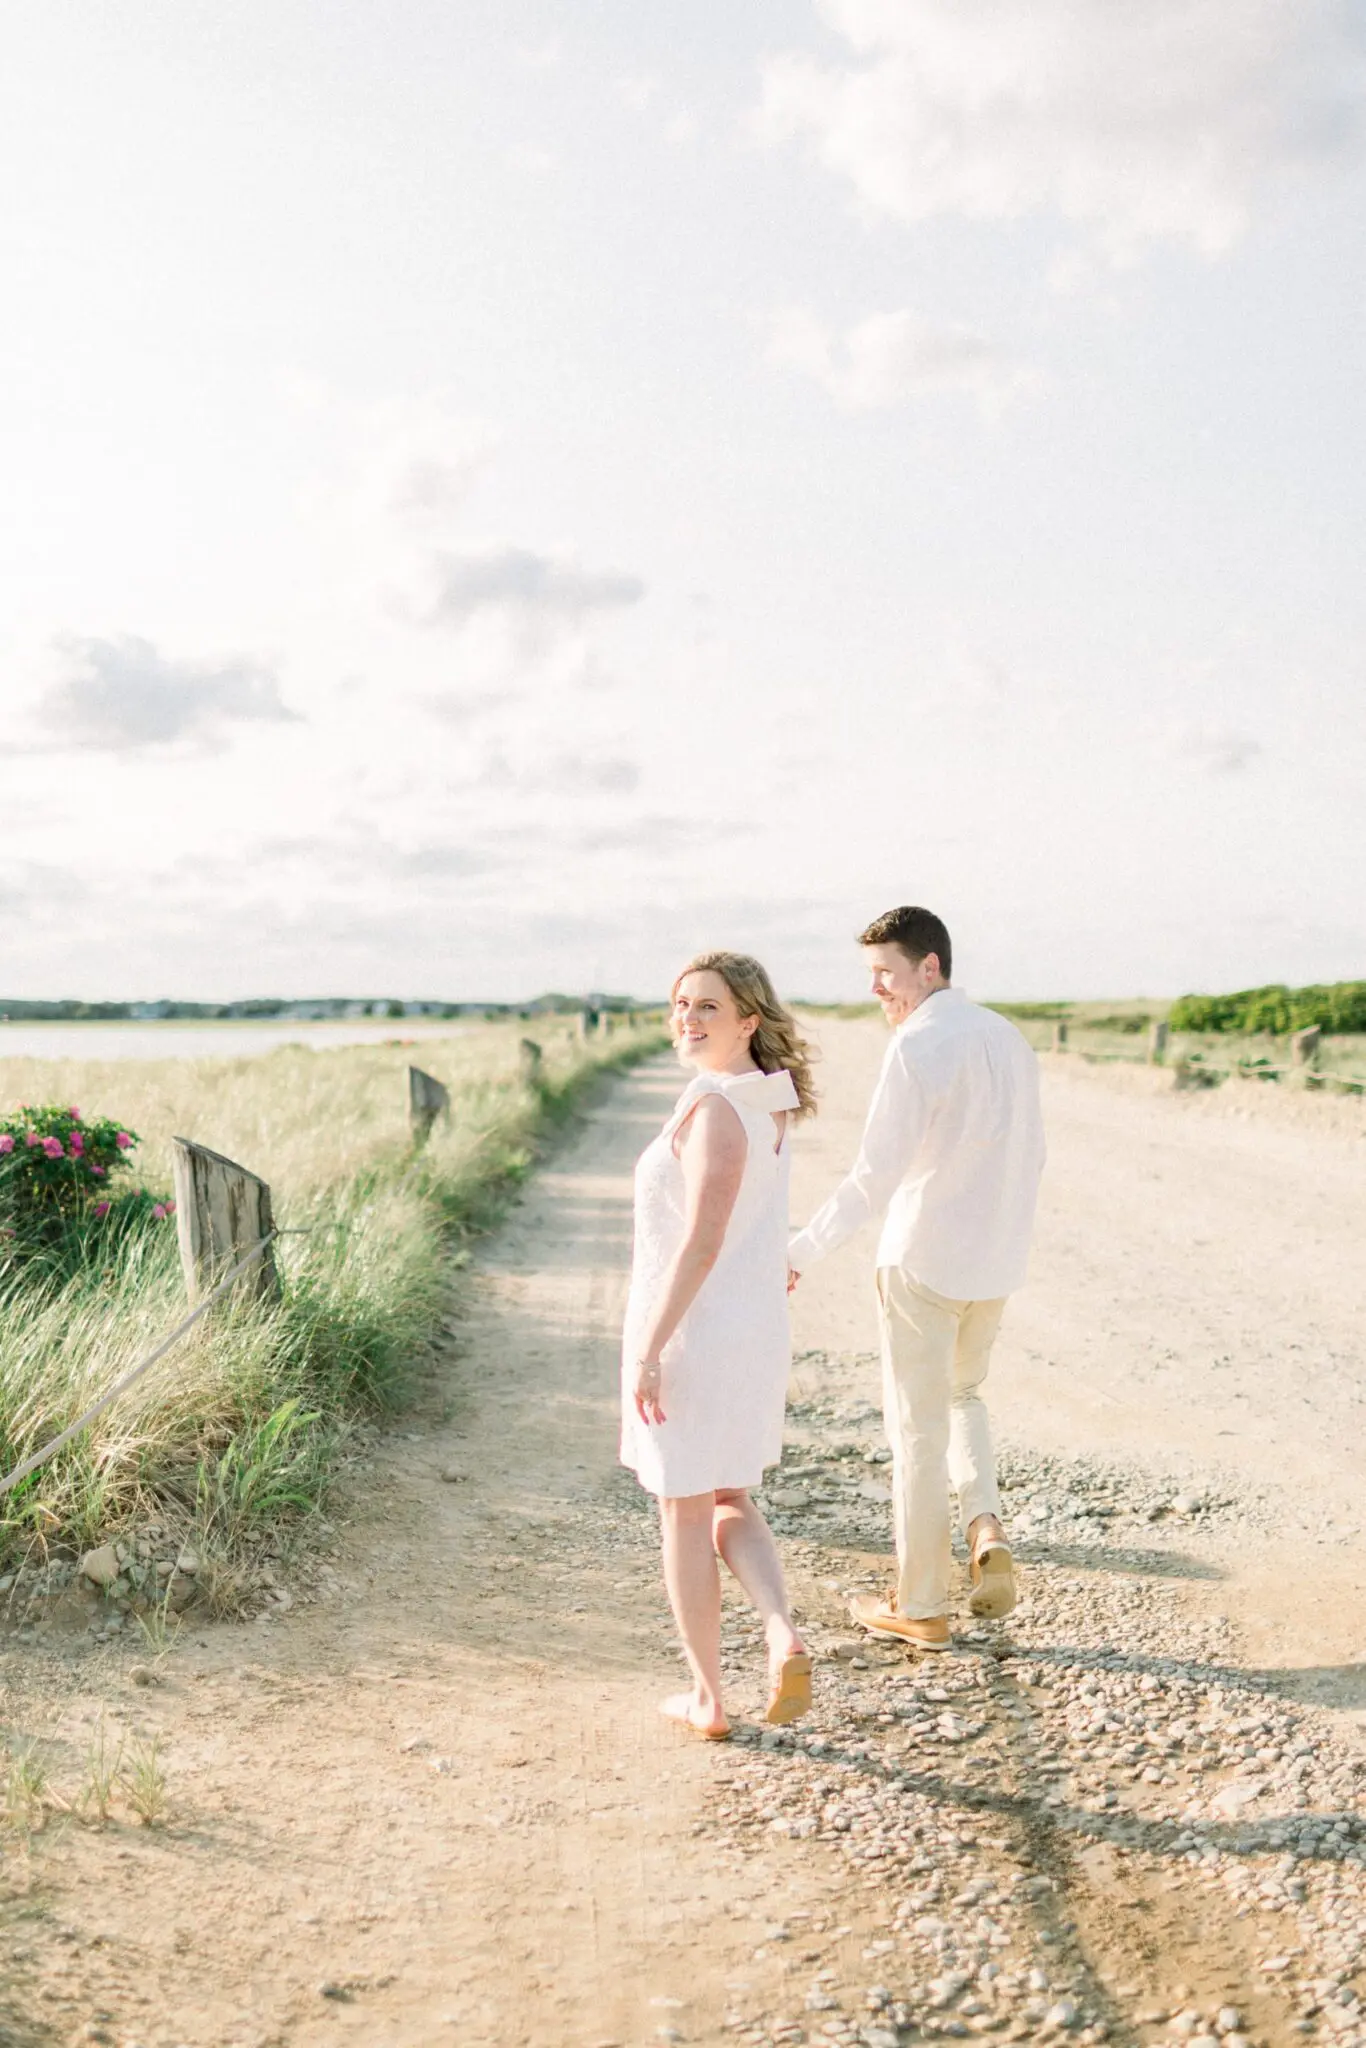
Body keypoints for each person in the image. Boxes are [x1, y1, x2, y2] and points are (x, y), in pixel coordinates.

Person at [788, 906, 1045, 1652]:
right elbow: (1033, 1157)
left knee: (915, 1432)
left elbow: (874, 1176)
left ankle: (922, 1604)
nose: (877, 991)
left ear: (929, 968)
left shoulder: (917, 1043)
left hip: (922, 1262)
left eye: (885, 975)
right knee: (963, 1397)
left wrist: (800, 1251)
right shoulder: (1010, 1037)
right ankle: (985, 1526)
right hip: (992, 1266)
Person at [621, 950, 817, 1739]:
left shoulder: (714, 1109)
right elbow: (755, 1221)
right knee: (729, 1497)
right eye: (679, 1005)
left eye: (706, 1006)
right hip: (750, 1327)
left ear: (749, 1019)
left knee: (684, 1508)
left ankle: (708, 1698)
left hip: (696, 1334)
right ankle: (779, 1630)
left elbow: (701, 1240)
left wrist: (651, 1349)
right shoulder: (768, 1101)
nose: (687, 1020)